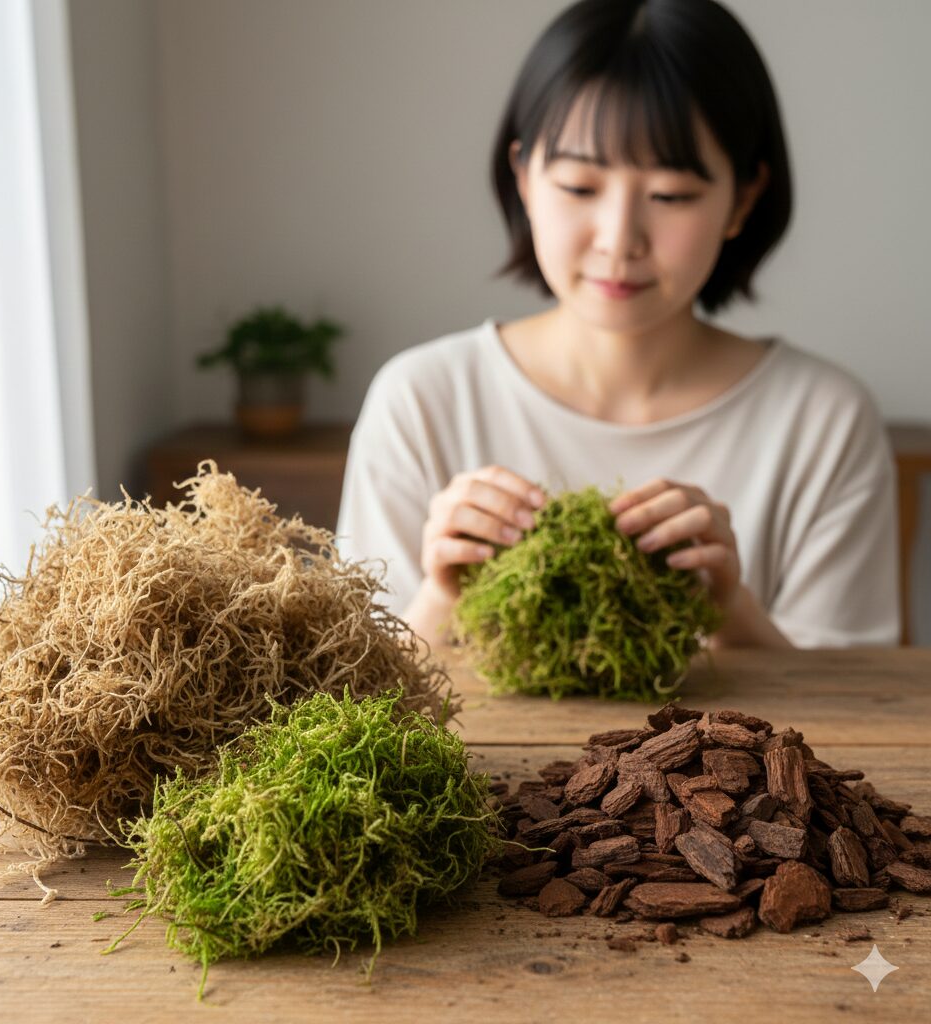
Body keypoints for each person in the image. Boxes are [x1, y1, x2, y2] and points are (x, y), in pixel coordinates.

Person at [335, 0, 900, 651]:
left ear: (743, 200)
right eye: (579, 186)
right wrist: (442, 595)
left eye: (671, 196)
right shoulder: (422, 401)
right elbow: (356, 687)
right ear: (524, 178)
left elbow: (858, 694)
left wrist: (730, 609)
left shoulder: (824, 421)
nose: (619, 239)